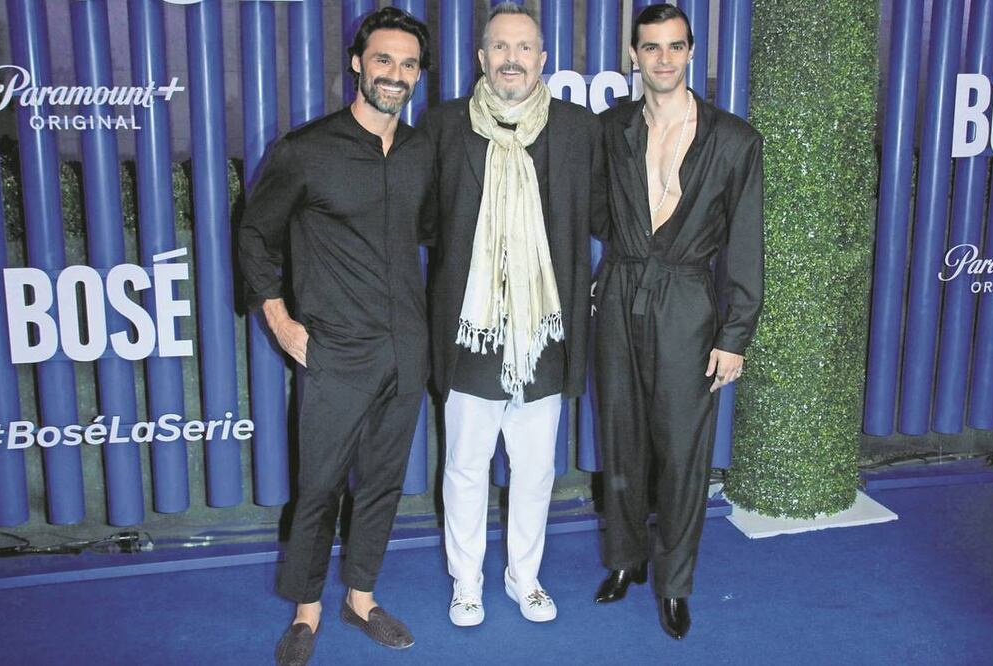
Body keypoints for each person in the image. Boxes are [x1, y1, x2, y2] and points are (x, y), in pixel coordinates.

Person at [236, 7, 433, 663]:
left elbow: (433, 237)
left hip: (406, 351)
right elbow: (254, 236)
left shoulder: (421, 152)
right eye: (383, 59)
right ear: (357, 62)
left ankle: (360, 599)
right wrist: (279, 318)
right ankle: (306, 613)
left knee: (381, 484)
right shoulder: (303, 150)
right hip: (335, 349)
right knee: (319, 486)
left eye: (407, 64)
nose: (394, 74)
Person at [420, 2, 606, 628]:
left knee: (534, 469)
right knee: (466, 465)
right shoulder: (445, 126)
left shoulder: (579, 130)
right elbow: (423, 222)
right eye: (500, 47)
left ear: (543, 58)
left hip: (543, 329)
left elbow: (606, 215)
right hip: (471, 330)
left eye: (524, 48)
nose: (511, 60)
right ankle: (466, 582)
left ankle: (524, 577)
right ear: (481, 57)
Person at [592, 4, 764, 640]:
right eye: (650, 47)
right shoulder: (609, 130)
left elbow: (746, 243)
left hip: (689, 301)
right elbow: (597, 215)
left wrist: (735, 335)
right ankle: (627, 560)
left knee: (684, 452)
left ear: (692, 51)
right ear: (633, 55)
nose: (662, 59)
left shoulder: (736, 139)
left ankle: (674, 583)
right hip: (620, 291)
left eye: (674, 47)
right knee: (622, 439)